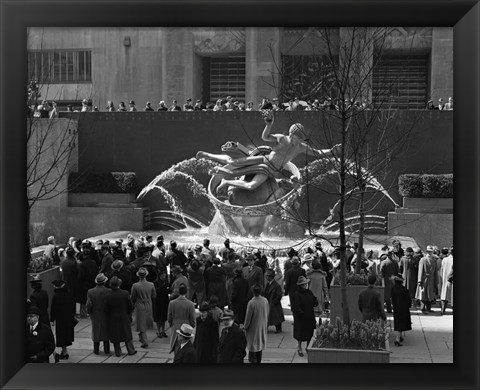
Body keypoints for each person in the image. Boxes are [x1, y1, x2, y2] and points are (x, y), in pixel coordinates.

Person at [197, 111, 341, 193]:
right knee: (233, 162)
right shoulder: (282, 139)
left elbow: (318, 153)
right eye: (296, 137)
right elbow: (265, 137)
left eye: (300, 138)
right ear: (292, 135)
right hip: (263, 161)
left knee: (251, 185)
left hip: (271, 170)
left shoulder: (301, 147)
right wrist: (269, 125)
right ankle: (208, 155)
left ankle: (227, 181)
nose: (297, 140)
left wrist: (332, 150)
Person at [291, 276, 317, 357]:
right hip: (301, 318)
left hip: (309, 316)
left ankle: (307, 347)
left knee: (309, 333)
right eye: (304, 284)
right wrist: (301, 314)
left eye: (306, 284)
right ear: (301, 285)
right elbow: (296, 307)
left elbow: (313, 301)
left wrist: (315, 301)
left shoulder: (309, 292)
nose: (306, 285)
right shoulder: (297, 294)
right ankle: (299, 348)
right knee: (300, 335)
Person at [50, 280, 75, 362]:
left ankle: (64, 352)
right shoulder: (69, 294)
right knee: (66, 335)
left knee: (61, 335)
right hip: (68, 318)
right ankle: (64, 351)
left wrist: (52, 319)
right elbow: (73, 305)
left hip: (61, 319)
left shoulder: (56, 296)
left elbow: (53, 309)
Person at [131, 267, 156, 348]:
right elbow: (154, 295)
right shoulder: (151, 284)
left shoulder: (135, 285)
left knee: (141, 322)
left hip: (139, 304)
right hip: (148, 303)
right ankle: (142, 337)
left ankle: (144, 340)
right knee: (145, 321)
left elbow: (133, 297)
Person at [86, 273, 111, 355]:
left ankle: (96, 349)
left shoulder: (90, 291)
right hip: (105, 312)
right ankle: (106, 349)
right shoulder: (108, 291)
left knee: (96, 330)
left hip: (95, 313)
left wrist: (89, 312)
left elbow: (89, 304)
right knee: (106, 330)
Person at [167, 283, 196, 354]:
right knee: (186, 346)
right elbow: (192, 318)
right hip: (186, 326)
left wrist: (171, 324)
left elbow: (169, 317)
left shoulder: (172, 303)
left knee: (176, 345)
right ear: (186, 292)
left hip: (175, 326)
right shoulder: (190, 304)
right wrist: (192, 326)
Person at [390, 274, 412, 347]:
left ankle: (400, 336)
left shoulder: (393, 289)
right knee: (402, 323)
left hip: (396, 308)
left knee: (398, 322)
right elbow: (408, 301)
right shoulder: (404, 290)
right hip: (404, 309)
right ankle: (397, 339)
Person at [415, 245, 438, 314]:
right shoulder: (423, 259)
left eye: (431, 251)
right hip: (424, 279)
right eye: (428, 251)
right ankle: (422, 308)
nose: (430, 253)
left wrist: (436, 281)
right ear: (426, 252)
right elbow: (420, 270)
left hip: (431, 279)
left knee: (430, 294)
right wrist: (419, 280)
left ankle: (428, 308)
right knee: (423, 294)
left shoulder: (434, 260)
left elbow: (435, 272)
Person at [379, 245, 399, 313]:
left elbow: (381, 272)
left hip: (386, 280)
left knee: (387, 296)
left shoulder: (383, 262)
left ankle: (389, 309)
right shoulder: (395, 262)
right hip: (393, 279)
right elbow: (397, 271)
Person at [440, 247, 453, 315]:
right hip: (451, 280)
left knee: (444, 295)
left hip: (445, 279)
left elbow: (441, 269)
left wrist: (442, 278)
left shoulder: (445, 259)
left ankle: (443, 310)